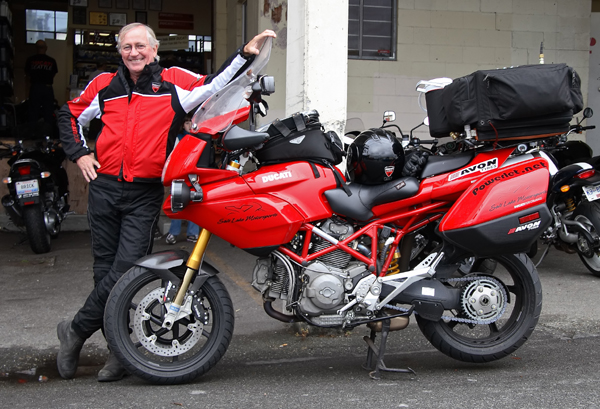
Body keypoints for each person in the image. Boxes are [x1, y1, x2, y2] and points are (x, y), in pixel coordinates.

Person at [56, 22, 276, 382]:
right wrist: (79, 153)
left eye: (141, 46)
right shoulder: (103, 85)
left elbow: (216, 83)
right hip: (104, 187)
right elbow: (69, 115)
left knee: (127, 269)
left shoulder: (174, 82)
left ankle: (76, 330)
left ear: (154, 49)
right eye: (127, 47)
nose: (134, 53)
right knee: (104, 269)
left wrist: (246, 53)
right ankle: (118, 348)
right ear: (120, 51)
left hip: (143, 192)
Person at [165, 116, 200, 244]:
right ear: (182, 125)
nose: (190, 125)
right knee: (177, 202)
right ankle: (173, 233)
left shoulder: (198, 138)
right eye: (186, 123)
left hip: (194, 173)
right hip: (179, 173)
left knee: (194, 202)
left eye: (191, 122)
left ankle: (192, 233)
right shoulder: (178, 138)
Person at [25, 40, 58, 123]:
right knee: (48, 111)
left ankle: (33, 132)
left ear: (36, 48)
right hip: (47, 87)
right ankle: (48, 132)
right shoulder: (51, 61)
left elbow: (27, 74)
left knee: (33, 111)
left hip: (35, 87)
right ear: (46, 48)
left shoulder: (30, 60)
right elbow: (53, 74)